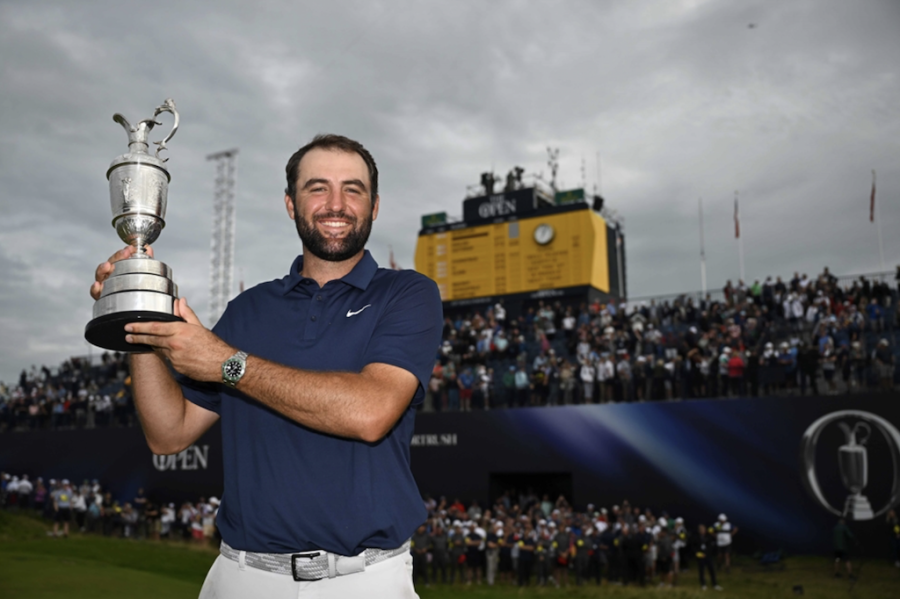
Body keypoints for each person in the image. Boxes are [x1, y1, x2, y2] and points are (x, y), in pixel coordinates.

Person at [91, 135, 442, 598]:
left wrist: (228, 364)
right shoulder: (248, 310)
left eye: (353, 189)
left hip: (363, 581)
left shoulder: (407, 294)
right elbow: (168, 432)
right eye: (317, 188)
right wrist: (139, 320)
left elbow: (370, 412)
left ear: (374, 206)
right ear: (290, 203)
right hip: (242, 577)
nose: (335, 204)